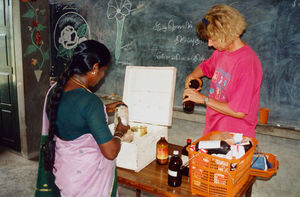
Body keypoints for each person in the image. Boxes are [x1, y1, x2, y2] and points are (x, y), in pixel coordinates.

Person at [35, 40, 129, 197]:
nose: (103, 76)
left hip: (67, 177)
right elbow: (110, 152)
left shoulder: (54, 90)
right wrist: (119, 132)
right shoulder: (91, 103)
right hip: (88, 184)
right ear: (94, 68)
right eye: (103, 70)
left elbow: (70, 116)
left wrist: (104, 109)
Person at [183, 4, 262, 138]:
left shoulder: (247, 64)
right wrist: (192, 77)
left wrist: (203, 99)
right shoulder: (221, 52)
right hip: (213, 129)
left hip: (234, 137)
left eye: (213, 39)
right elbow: (204, 68)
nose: (209, 44)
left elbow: (238, 112)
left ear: (227, 35)